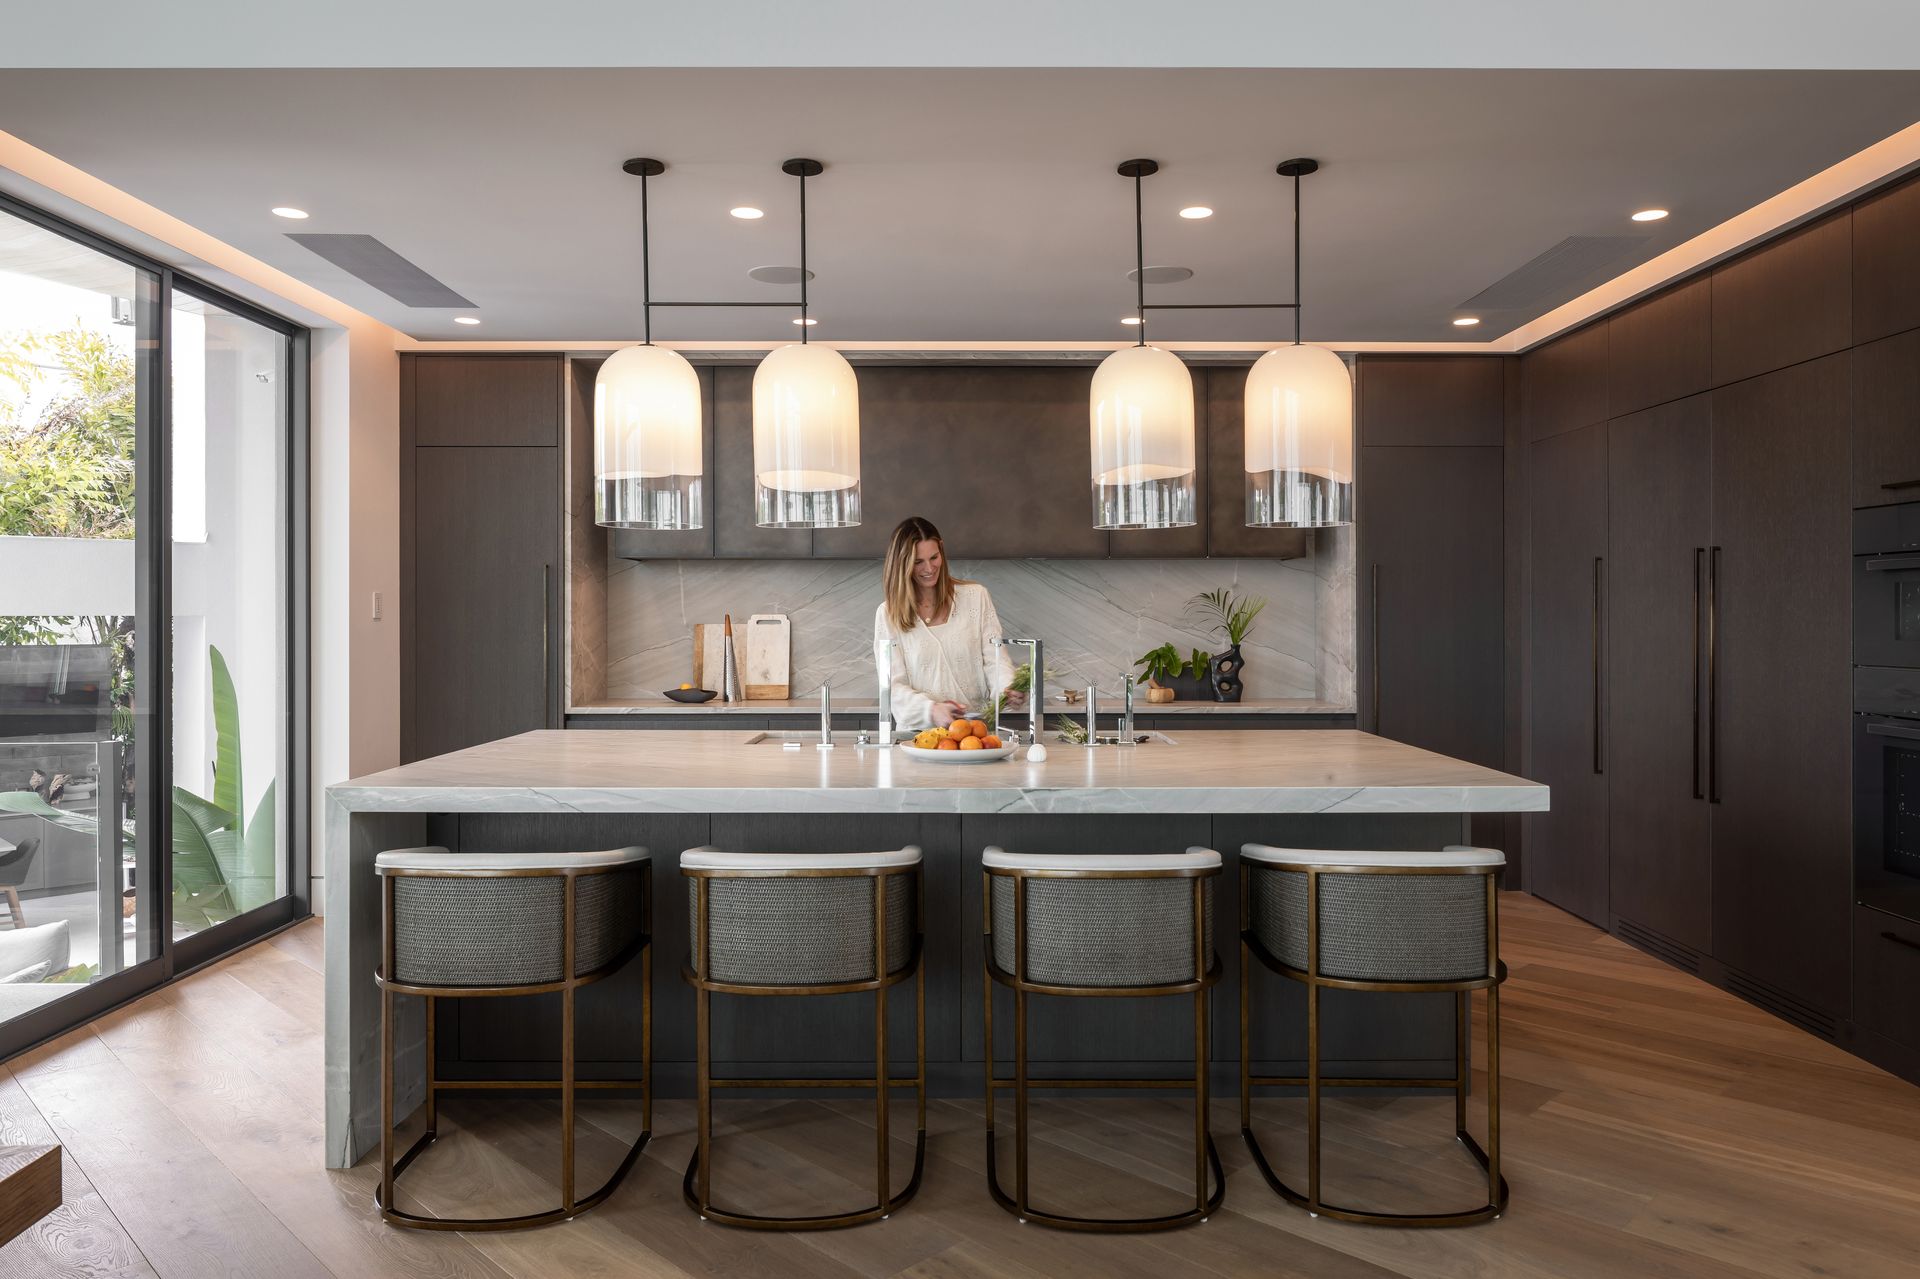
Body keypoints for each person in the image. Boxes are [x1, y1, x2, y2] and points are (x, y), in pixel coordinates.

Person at [873, 516, 1022, 731]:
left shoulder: (976, 597)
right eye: (918, 562)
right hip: (917, 741)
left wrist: (1007, 688)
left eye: (934, 557)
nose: (929, 568)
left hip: (974, 735)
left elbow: (995, 661)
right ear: (902, 564)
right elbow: (892, 688)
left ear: (941, 551)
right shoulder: (887, 614)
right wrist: (931, 710)